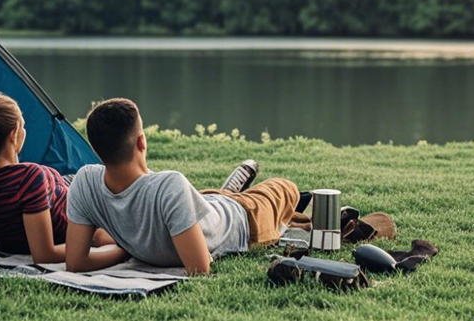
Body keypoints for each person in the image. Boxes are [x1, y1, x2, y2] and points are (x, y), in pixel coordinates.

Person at [65, 97, 303, 275]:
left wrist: (129, 250)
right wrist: (127, 250)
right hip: (242, 218)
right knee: (285, 188)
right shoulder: (170, 185)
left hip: (206, 207)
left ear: (95, 147)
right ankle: (233, 191)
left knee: (212, 199)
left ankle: (231, 189)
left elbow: (76, 262)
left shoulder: (84, 182)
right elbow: (200, 267)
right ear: (141, 141)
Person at [0, 92, 111, 263]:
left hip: (64, 191)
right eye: (23, 126)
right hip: (86, 209)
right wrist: (117, 251)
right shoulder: (28, 178)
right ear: (14, 134)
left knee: (74, 177)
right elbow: (44, 255)